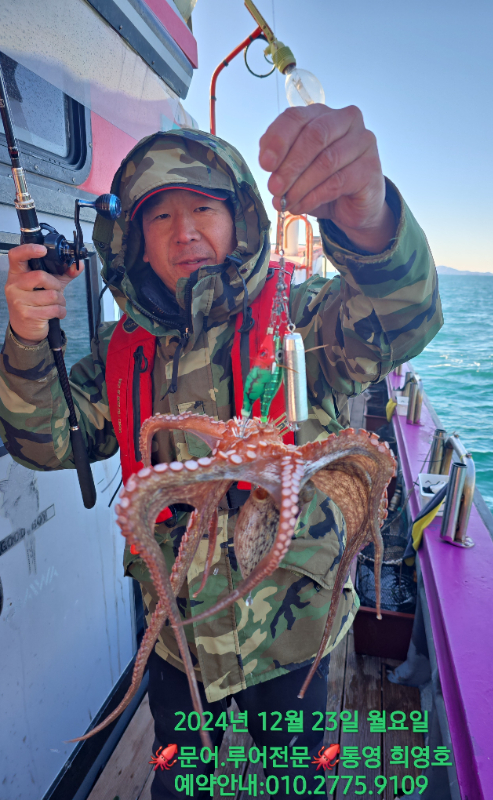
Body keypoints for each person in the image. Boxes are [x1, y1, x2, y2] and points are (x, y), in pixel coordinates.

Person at [0, 104, 442, 798]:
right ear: (135, 240)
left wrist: (369, 216)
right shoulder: (119, 353)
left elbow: (405, 315)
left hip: (294, 637)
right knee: (180, 784)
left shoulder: (304, 318)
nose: (184, 232)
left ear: (240, 218)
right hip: (176, 641)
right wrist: (27, 342)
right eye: (159, 216)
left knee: (297, 781)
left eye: (203, 207)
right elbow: (45, 441)